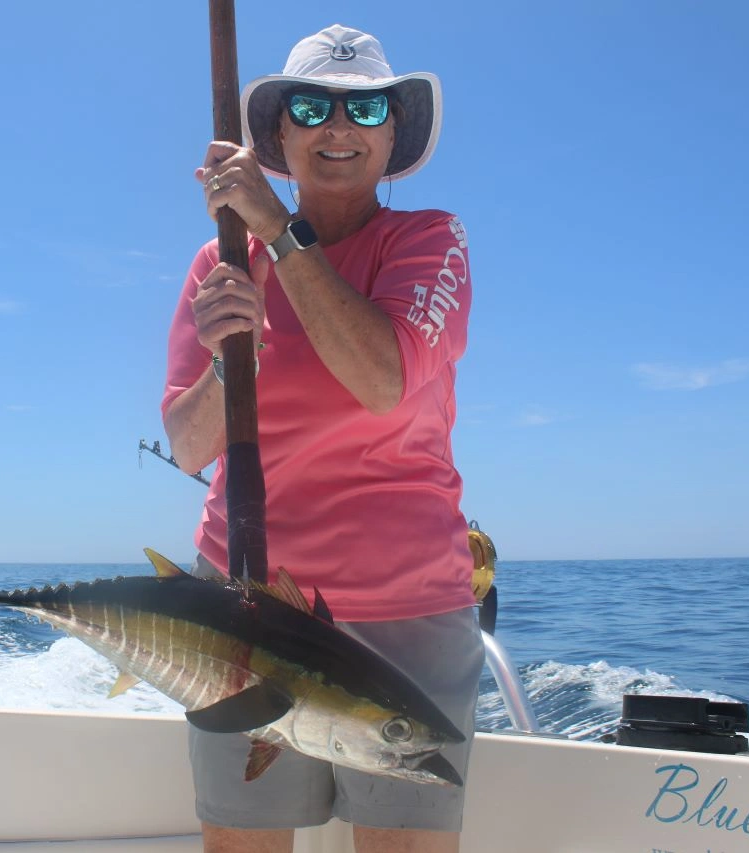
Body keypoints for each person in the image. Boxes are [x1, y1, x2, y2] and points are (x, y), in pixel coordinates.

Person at [161, 24, 483, 853]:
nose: (338, 127)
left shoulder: (427, 240)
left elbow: (381, 379)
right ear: (280, 134)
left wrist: (280, 233)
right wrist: (237, 360)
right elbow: (189, 446)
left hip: (405, 609)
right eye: (312, 106)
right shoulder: (218, 263)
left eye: (365, 107)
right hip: (243, 603)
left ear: (391, 132)